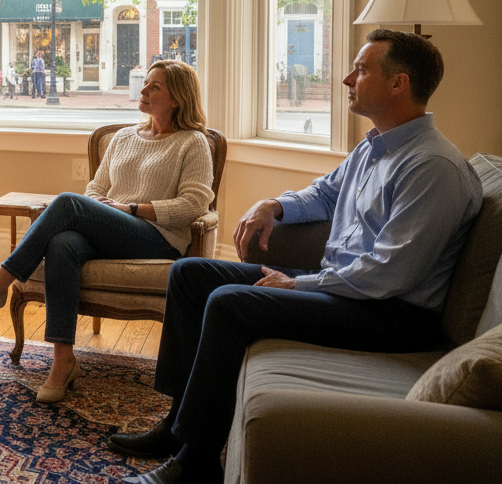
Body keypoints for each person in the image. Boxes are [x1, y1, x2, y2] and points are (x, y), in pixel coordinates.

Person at [113, 29, 483, 484]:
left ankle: (195, 463)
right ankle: (176, 425)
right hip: (347, 288)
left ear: (398, 84)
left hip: (390, 312)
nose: (347, 78)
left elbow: (391, 274)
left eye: (362, 69)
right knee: (190, 274)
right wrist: (276, 205)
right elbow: (323, 194)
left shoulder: (432, 167)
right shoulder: (374, 146)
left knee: (231, 303)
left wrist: (299, 283)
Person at [0, 59, 213, 403]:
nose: (143, 90)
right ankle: (63, 362)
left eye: (154, 87)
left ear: (177, 97)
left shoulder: (192, 143)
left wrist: (130, 209)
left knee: (68, 203)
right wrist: (102, 206)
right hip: (112, 230)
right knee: (62, 243)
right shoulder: (123, 138)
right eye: (145, 83)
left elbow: (194, 205)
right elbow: (94, 189)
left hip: (157, 239)